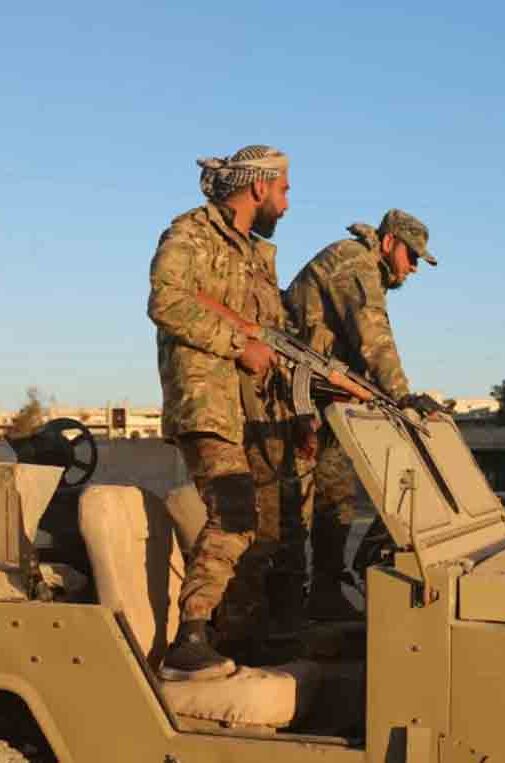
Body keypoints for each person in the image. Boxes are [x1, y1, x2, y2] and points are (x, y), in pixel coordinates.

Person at [148, 144, 299, 680]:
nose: (286, 202)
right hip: (208, 398)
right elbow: (166, 300)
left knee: (263, 527)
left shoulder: (252, 255)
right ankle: (188, 641)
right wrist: (239, 344)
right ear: (258, 187)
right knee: (234, 512)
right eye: (283, 189)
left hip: (251, 410)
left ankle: (237, 635)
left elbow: (271, 339)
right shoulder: (190, 234)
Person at [283, 209, 445, 620]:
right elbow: (372, 334)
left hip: (327, 402)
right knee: (290, 509)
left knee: (336, 498)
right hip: (290, 402)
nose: (412, 269)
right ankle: (279, 608)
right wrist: (402, 396)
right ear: (389, 243)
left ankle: (325, 593)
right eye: (411, 257)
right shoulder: (355, 261)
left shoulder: (370, 271)